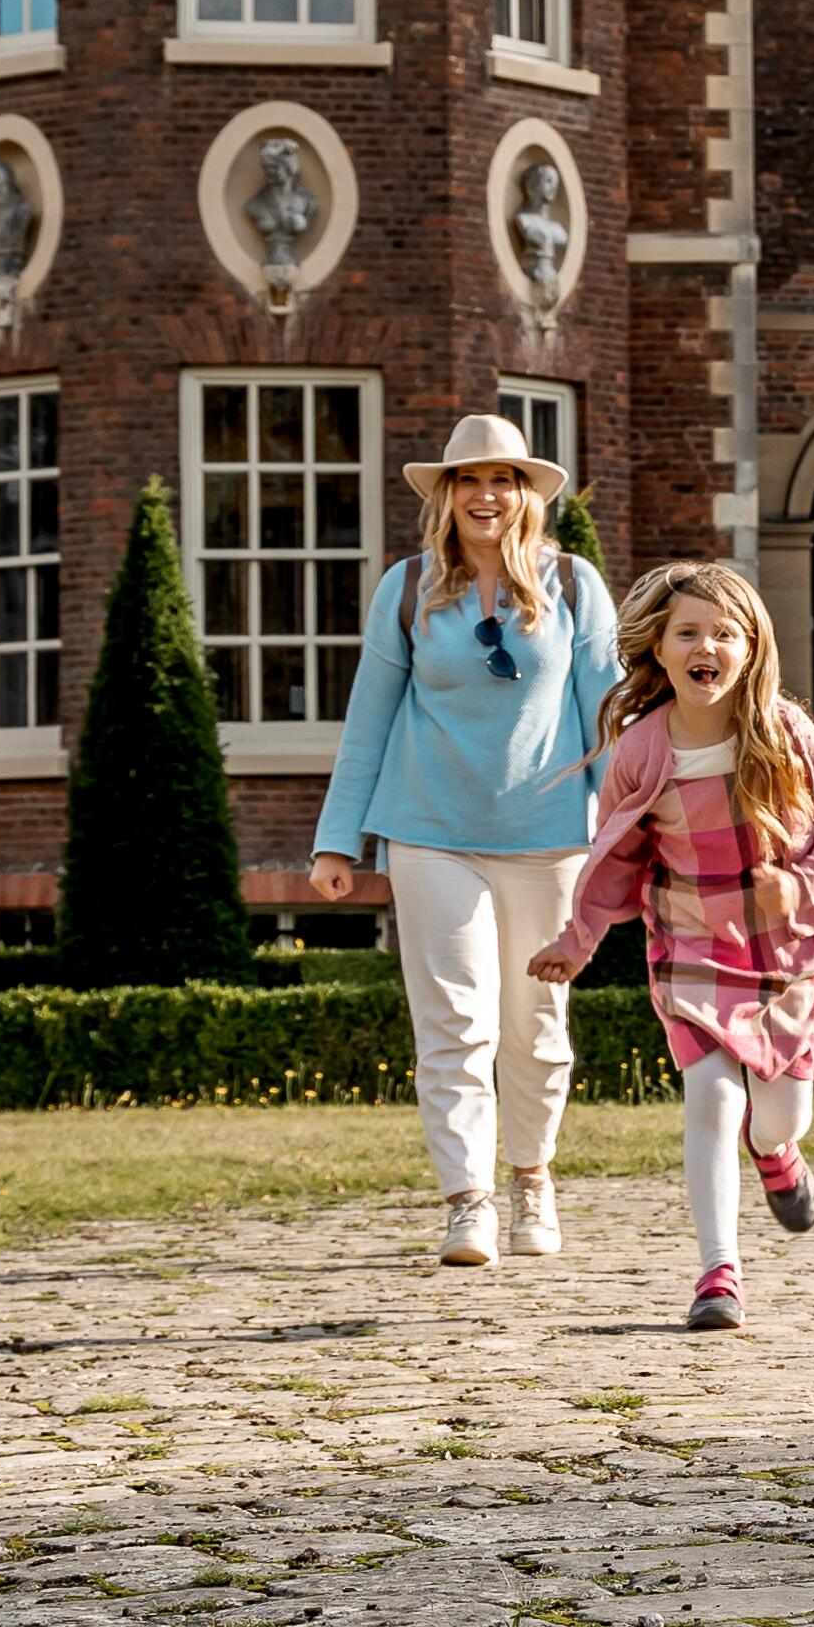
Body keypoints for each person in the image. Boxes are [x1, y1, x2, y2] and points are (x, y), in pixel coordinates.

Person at [311, 413, 621, 1269]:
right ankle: (467, 1201)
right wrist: (338, 841)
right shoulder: (408, 587)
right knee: (454, 1021)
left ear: (527, 495)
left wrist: (630, 836)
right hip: (431, 836)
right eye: (469, 480)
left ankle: (532, 1180)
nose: (486, 495)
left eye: (503, 480)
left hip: (550, 840)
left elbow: (608, 718)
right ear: (447, 495)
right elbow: (369, 719)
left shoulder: (574, 584)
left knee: (537, 1025)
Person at [529, 560, 814, 1335]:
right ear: (659, 648)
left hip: (783, 950)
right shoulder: (642, 749)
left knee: (779, 1116)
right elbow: (613, 857)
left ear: (750, 649)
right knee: (712, 1097)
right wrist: (578, 939)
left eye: (723, 633)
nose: (704, 646)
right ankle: (719, 1273)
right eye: (687, 633)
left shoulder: (783, 730)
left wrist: (802, 882)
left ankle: (775, 1154)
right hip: (689, 941)